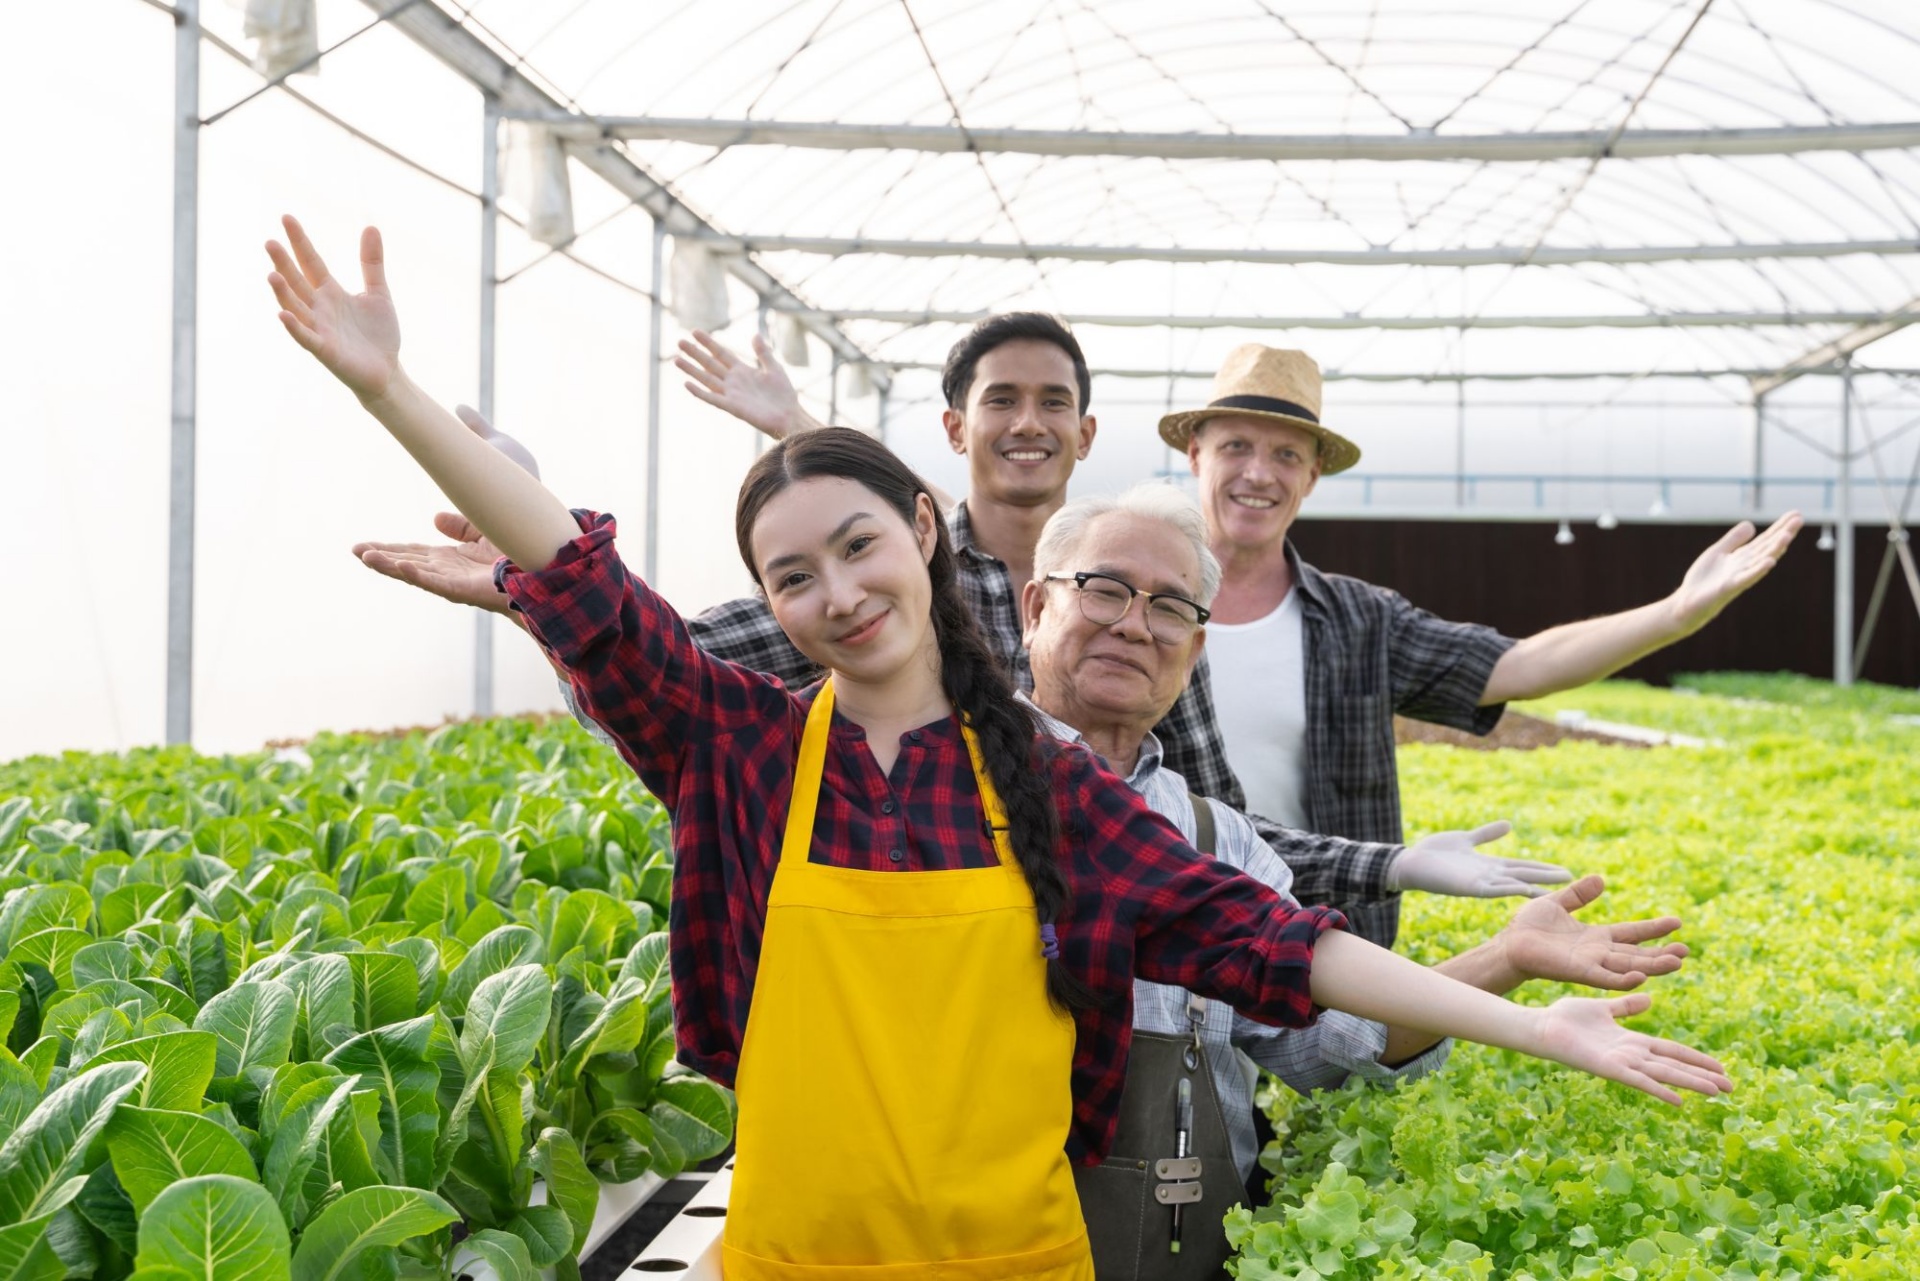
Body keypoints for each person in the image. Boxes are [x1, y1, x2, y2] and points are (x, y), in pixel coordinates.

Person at [268, 216, 1731, 1277]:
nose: (835, 595)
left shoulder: (1061, 797)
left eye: (857, 547)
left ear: (924, 534)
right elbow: (588, 591)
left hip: (1028, 1257)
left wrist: (1533, 1018)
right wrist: (386, 391)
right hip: (789, 1253)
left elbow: (1285, 949)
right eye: (792, 578)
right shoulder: (740, 754)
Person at [354, 321, 1573, 915]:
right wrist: (540, 569)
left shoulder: (1135, 612)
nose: (1123, 624)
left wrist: (1394, 871)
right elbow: (655, 666)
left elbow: (1203, 837)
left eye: (1055, 403)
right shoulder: (875, 611)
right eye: (1001, 400)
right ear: (953, 434)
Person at [1016, 484, 1692, 1275]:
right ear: (1035, 606)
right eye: (1104, 590)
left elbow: (1336, 1046)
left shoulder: (1217, 840)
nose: (1134, 623)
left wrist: (1507, 956)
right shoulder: (957, 789)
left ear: (1194, 650)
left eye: (1170, 608)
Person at [1165, 344, 1804, 947]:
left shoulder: (1359, 621)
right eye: (1237, 446)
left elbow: (1519, 666)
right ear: (1196, 455)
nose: (1258, 473)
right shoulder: (1138, 604)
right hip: (1173, 927)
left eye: (1286, 456)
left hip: (1322, 941)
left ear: (1312, 476)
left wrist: (1674, 615)